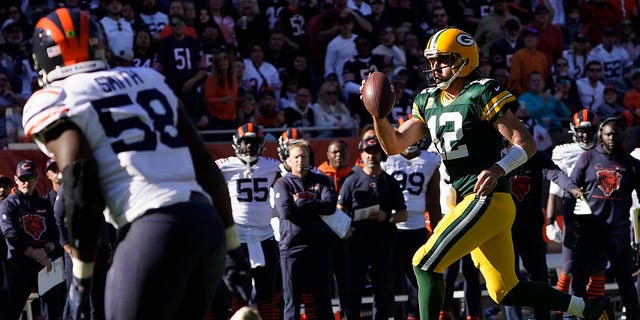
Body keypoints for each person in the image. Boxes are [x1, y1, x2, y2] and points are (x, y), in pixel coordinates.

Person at [363, 27, 614, 320]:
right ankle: (591, 309)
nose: (435, 67)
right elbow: (393, 145)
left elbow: (526, 142)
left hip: (486, 198)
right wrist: (377, 114)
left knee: (424, 262)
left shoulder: (481, 91)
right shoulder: (428, 100)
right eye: (432, 60)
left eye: (442, 60)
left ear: (464, 60)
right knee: (504, 290)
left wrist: (498, 168)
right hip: (472, 202)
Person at [22, 8, 249, 320]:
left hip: (150, 229)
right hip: (205, 224)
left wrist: (81, 278)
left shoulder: (55, 97)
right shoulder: (148, 79)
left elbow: (80, 177)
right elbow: (206, 168)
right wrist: (232, 247)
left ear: (45, 59)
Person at [570, 117, 640, 320]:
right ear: (601, 134)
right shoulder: (587, 158)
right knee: (579, 279)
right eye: (608, 133)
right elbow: (570, 190)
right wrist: (570, 222)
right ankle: (579, 316)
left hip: (619, 232)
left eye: (616, 134)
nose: (611, 137)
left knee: (625, 281)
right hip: (590, 230)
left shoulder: (632, 164)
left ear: (622, 135)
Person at [215, 123, 282, 319]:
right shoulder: (224, 165)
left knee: (267, 291)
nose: (250, 146)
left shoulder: (272, 165)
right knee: (238, 291)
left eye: (254, 142)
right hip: (238, 237)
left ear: (261, 144)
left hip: (265, 236)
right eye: (246, 141)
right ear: (237, 143)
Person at [338, 137, 407, 320]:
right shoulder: (351, 180)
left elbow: (403, 213)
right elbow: (340, 209)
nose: (371, 156)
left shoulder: (390, 182)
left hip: (383, 242)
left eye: (375, 152)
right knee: (353, 288)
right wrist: (345, 227)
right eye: (367, 152)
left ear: (381, 154)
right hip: (356, 243)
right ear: (361, 154)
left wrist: (388, 217)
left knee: (383, 289)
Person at [273, 139, 338, 319]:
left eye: (303, 156)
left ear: (309, 158)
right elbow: (286, 211)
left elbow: (330, 206)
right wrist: (315, 206)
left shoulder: (322, 179)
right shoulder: (282, 183)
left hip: (320, 247)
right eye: (296, 157)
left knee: (323, 300)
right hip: (292, 249)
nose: (300, 160)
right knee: (291, 301)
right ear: (289, 160)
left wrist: (301, 202)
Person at [382, 138, 441, 320]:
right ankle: (394, 315)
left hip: (417, 226)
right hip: (391, 226)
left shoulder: (430, 160)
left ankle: (414, 315)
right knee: (390, 278)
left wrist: (437, 230)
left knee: (416, 277)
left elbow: (434, 199)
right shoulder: (387, 159)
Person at [0, 160, 62, 320]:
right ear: (16, 179)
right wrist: (35, 253)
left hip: (45, 263)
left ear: (37, 179)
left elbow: (55, 232)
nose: (26, 183)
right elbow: (10, 233)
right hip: (18, 266)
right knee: (10, 311)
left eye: (30, 178)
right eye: (23, 178)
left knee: (53, 311)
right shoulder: (8, 204)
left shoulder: (44, 203)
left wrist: (46, 250)